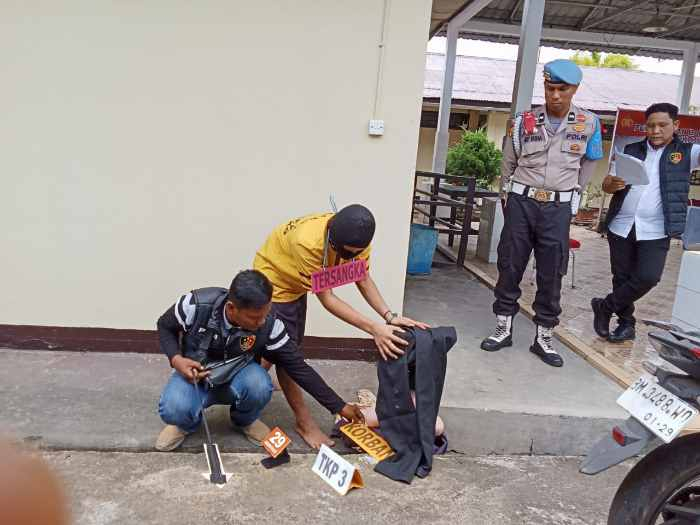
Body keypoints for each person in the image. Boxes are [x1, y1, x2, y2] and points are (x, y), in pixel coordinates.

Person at [254, 204, 428, 448]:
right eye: (346, 253)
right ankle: (304, 422)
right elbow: (327, 298)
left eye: (356, 252)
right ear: (332, 240)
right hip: (276, 280)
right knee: (288, 354)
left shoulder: (359, 238)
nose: (350, 258)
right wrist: (373, 329)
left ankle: (255, 372)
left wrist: (389, 316)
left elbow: (362, 277)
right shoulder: (308, 244)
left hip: (297, 282)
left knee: (280, 342)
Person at [480, 59, 604, 367]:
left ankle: (544, 336)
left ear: (575, 89)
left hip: (558, 206)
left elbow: (590, 161)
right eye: (551, 88)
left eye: (563, 89)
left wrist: (574, 193)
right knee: (510, 263)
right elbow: (508, 163)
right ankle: (503, 327)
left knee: (552, 269)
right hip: (522, 201)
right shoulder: (523, 121)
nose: (556, 95)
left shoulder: (590, 123)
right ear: (545, 87)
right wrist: (507, 197)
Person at [154, 269, 363, 452]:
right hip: (195, 377)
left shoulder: (270, 325)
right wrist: (177, 360)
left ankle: (245, 421)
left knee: (260, 384)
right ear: (231, 308)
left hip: (238, 377)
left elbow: (298, 367)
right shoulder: (196, 304)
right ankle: (185, 425)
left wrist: (339, 406)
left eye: (266, 314)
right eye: (254, 318)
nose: (262, 322)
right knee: (174, 408)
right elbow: (165, 325)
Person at [592, 103, 700, 342]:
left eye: (663, 125)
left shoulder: (687, 153)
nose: (656, 130)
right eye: (651, 125)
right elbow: (607, 185)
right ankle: (626, 324)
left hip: (657, 229)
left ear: (676, 125)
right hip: (621, 225)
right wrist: (612, 184)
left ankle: (605, 306)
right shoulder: (629, 150)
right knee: (622, 277)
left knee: (648, 277)